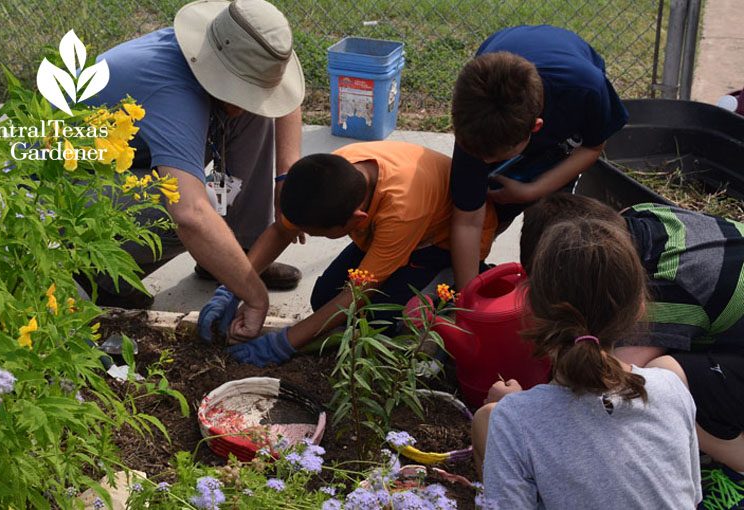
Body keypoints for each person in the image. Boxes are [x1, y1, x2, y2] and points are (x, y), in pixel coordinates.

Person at [81, 0, 304, 330]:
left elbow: (282, 96)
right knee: (178, 207)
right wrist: (256, 298)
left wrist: (287, 177)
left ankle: (238, 255)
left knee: (253, 112)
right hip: (63, 190)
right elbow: (191, 216)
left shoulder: (233, 46)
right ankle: (101, 277)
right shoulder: (173, 90)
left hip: (130, 158)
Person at [519, 193, 744, 509]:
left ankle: (739, 462)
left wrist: (525, 406)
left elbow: (607, 389)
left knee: (661, 382)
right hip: (730, 332)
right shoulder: (633, 217)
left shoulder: (668, 288)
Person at [471, 217, 701, 509]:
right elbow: (690, 498)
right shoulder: (672, 387)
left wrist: (517, 411)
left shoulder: (512, 421)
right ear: (639, 308)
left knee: (486, 419)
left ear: (532, 308)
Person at [205, 141, 497, 366]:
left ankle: (455, 282)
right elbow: (281, 230)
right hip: (395, 236)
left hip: (442, 244)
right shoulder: (333, 173)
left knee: (379, 321)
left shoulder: (401, 210)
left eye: (317, 234)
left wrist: (282, 344)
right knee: (323, 299)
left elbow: (359, 291)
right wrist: (231, 289)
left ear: (357, 219)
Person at [448, 25, 629, 291]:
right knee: (486, 206)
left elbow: (591, 147)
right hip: (509, 101)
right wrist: (467, 303)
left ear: (536, 127)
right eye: (479, 156)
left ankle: (541, 292)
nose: (485, 163)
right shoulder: (477, 118)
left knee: (551, 226)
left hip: (566, 99)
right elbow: (467, 221)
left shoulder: (586, 90)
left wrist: (532, 191)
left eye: (495, 158)